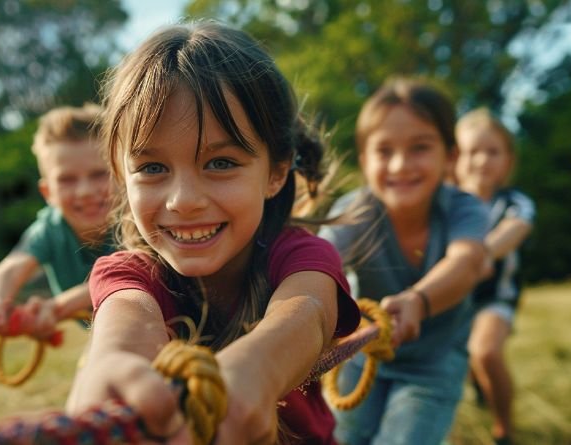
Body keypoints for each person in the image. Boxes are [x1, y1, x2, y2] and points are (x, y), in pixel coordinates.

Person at [64, 23, 361, 444]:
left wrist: (258, 367)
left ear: (276, 171)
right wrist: (111, 362)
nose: (183, 200)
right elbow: (127, 320)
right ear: (120, 175)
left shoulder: (301, 256)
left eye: (220, 163)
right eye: (152, 168)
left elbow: (309, 312)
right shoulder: (129, 274)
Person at [321, 78, 489, 445]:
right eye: (384, 151)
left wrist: (419, 301)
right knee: (342, 437)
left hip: (434, 364)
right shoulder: (353, 213)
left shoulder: (465, 209)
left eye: (420, 148)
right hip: (362, 352)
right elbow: (319, 266)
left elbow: (467, 262)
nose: (400, 164)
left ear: (451, 156)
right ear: (365, 161)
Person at [0, 104, 115, 339]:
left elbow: (124, 275)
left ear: (122, 174)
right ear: (47, 192)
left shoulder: (137, 219)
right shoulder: (50, 228)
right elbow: (8, 269)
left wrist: (58, 307)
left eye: (99, 174)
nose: (84, 191)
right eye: (67, 180)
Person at [452, 108, 535, 444]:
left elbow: (515, 229)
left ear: (508, 161)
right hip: (454, 298)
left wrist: (482, 254)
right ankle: (478, 385)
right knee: (467, 355)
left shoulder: (514, 202)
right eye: (472, 151)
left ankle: (504, 430)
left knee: (485, 351)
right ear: (455, 159)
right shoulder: (446, 204)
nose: (482, 160)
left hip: (495, 296)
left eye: (492, 151)